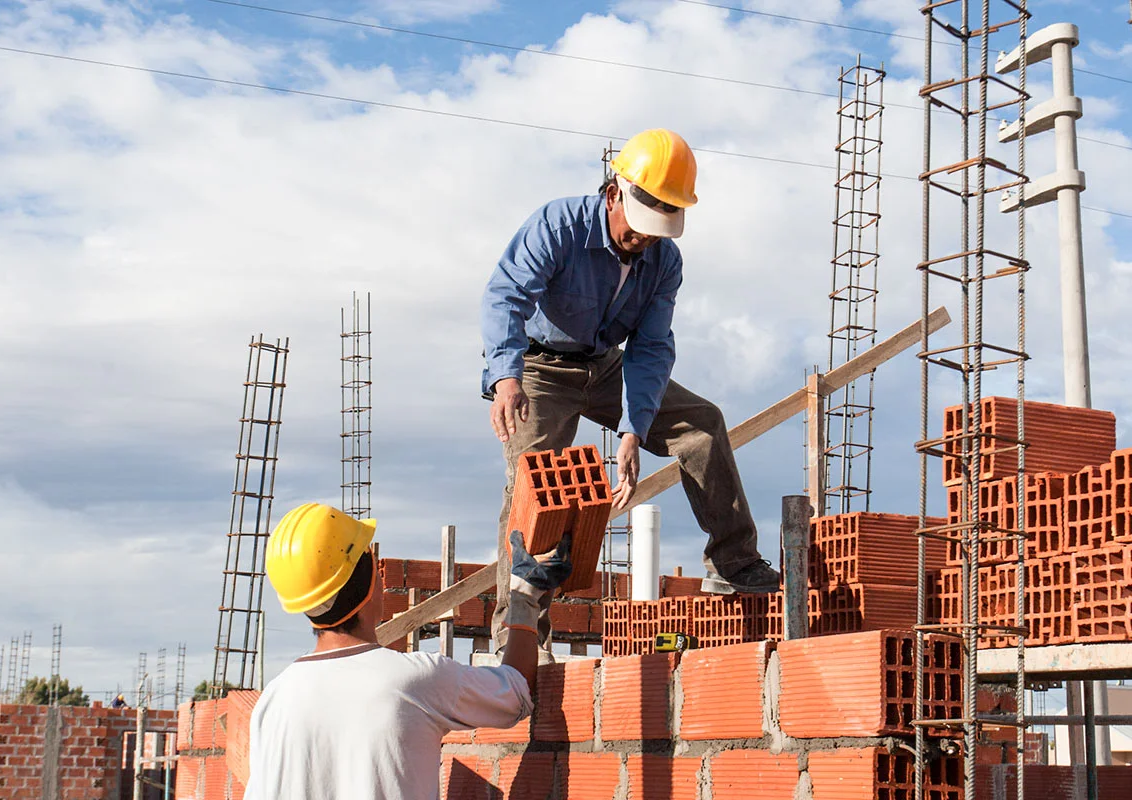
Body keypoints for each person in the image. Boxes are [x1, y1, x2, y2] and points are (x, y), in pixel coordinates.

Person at [481, 128, 781, 654]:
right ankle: (520, 635)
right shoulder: (558, 226)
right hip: (540, 369)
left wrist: (631, 432)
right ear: (614, 192)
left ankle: (734, 562)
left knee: (701, 426)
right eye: (641, 224)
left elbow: (651, 348)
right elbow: (505, 296)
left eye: (659, 227)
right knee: (537, 486)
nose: (644, 238)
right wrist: (506, 378)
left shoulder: (664, 262)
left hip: (606, 365)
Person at [244, 502, 573, 800]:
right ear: (369, 580)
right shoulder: (413, 680)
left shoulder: (273, 700)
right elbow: (514, 693)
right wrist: (525, 597)